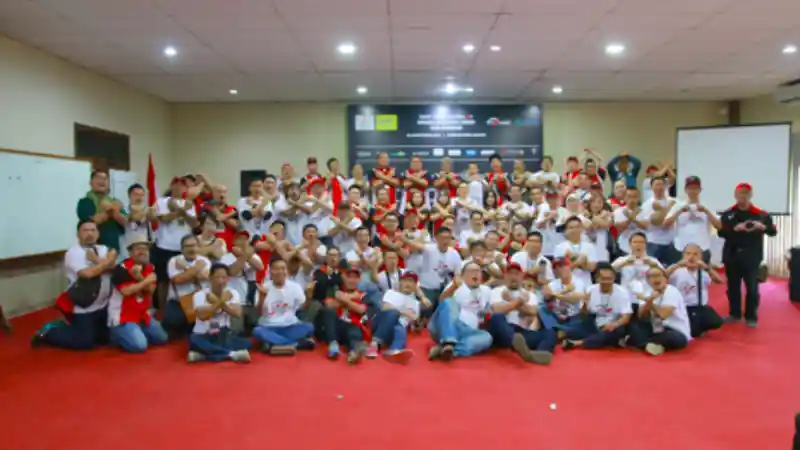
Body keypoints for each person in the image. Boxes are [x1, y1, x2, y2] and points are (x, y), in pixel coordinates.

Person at [32, 220, 116, 349]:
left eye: (93, 230)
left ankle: (76, 328)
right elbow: (87, 274)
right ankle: (50, 331)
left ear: (98, 233)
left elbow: (115, 269)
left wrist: (96, 261)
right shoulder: (74, 253)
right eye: (85, 230)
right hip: (83, 306)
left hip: (103, 306)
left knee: (105, 340)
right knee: (84, 343)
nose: (90, 234)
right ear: (78, 234)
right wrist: (105, 263)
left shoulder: (103, 249)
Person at [718, 183, 777, 327]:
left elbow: (773, 232)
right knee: (733, 287)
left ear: (750, 195)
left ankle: (751, 316)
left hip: (752, 256)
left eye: (746, 193)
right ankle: (734, 314)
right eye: (740, 193)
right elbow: (721, 233)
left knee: (752, 288)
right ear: (735, 195)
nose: (742, 196)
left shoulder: (761, 214)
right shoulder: (728, 214)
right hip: (732, 255)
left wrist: (762, 227)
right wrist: (735, 229)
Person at [107, 237, 168, 353]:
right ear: (130, 252)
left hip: (142, 315)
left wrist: (139, 277)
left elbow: (152, 290)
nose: (142, 251)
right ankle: (116, 334)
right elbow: (126, 291)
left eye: (145, 249)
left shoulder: (150, 267)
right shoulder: (121, 268)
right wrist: (146, 281)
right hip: (123, 317)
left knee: (162, 339)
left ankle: (135, 332)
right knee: (139, 346)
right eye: (138, 249)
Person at [487, 263, 556, 365]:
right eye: (510, 274)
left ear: (522, 277)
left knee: (550, 332)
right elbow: (498, 310)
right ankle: (518, 345)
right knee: (497, 317)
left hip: (521, 332)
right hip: (503, 330)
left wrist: (511, 301)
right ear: (505, 276)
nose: (513, 277)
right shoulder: (497, 291)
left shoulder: (529, 294)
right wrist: (520, 301)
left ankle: (536, 353)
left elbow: (532, 311)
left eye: (516, 274)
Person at [151, 177, 200, 311]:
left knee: (185, 280)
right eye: (176, 184)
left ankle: (185, 311)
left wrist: (184, 211)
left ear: (186, 188)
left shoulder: (189, 204)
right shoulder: (162, 201)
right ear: (171, 186)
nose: (179, 187)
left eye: (182, 185)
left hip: (183, 248)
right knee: (163, 281)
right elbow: (163, 218)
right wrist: (180, 211)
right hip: (164, 246)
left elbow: (194, 224)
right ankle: (162, 311)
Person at [187, 263, 252, 363]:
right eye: (217, 277)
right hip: (204, 333)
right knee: (194, 340)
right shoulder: (199, 295)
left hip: (223, 332)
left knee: (247, 343)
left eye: (224, 277)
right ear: (210, 277)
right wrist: (221, 301)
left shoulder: (232, 293)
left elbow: (237, 313)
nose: (221, 281)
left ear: (228, 279)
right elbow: (202, 316)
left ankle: (203, 355)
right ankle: (231, 354)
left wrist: (220, 302)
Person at [428, 262, 493, 361]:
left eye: (478, 271)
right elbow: (442, 303)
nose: (475, 274)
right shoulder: (456, 286)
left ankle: (449, 350)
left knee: (487, 337)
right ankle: (448, 341)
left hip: (468, 332)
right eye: (472, 271)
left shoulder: (486, 290)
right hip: (445, 326)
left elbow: (491, 310)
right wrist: (454, 286)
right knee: (449, 301)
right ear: (463, 276)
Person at [562, 262, 632, 350]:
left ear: (614, 278)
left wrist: (614, 324)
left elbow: (626, 317)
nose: (606, 282)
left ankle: (577, 343)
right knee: (572, 330)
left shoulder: (622, 292)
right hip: (594, 324)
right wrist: (585, 305)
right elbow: (583, 316)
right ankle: (593, 339)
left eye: (609, 279)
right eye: (603, 279)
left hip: (613, 325)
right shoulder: (590, 290)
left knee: (613, 333)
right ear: (597, 278)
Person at [252, 259, 314, 355]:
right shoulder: (264, 288)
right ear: (270, 272)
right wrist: (262, 298)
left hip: (290, 326)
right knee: (257, 331)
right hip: (269, 327)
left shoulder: (295, 287)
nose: (280, 272)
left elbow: (303, 308)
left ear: (287, 271)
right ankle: (293, 344)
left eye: (283, 268)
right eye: (276, 269)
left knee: (309, 327)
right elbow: (258, 313)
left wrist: (309, 297)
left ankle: (274, 344)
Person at [626, 267, 691, 355]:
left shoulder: (671, 291)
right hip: (656, 329)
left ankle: (642, 344)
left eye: (658, 275)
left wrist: (649, 300)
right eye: (652, 276)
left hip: (675, 330)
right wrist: (650, 299)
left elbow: (663, 315)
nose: (656, 279)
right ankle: (651, 345)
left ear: (665, 278)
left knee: (671, 337)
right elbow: (642, 315)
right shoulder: (647, 292)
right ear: (648, 280)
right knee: (634, 327)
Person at [366, 272, 429, 363]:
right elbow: (385, 308)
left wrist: (417, 322)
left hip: (394, 330)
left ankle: (394, 350)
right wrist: (403, 312)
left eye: (411, 281)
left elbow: (413, 319)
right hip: (380, 324)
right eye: (405, 280)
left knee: (400, 328)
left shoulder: (415, 303)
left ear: (415, 286)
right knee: (392, 313)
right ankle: (374, 344)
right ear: (400, 282)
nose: (408, 284)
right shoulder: (391, 293)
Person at [667, 244, 724, 337]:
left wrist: (706, 268)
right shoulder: (676, 271)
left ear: (700, 257)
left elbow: (720, 281)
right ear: (683, 256)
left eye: (695, 254)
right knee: (693, 332)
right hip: (682, 307)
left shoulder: (704, 272)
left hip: (699, 307)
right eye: (688, 254)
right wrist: (677, 265)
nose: (691, 257)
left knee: (716, 321)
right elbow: (662, 275)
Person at [663, 176, 721, 264]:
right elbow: (665, 224)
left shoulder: (706, 206)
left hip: (702, 248)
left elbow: (719, 226)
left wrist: (706, 211)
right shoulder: (678, 206)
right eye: (690, 188)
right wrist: (679, 211)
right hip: (681, 248)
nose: (692, 191)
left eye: (695, 188)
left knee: (702, 272)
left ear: (700, 190)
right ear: (685, 190)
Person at [317, 267, 369, 363]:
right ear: (345, 278)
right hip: (336, 327)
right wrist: (351, 299)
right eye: (349, 277)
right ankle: (333, 346)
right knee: (329, 312)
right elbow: (329, 304)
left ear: (359, 280)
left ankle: (354, 353)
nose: (352, 280)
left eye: (355, 278)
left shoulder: (363, 295)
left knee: (354, 330)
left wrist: (344, 299)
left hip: (352, 326)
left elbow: (361, 309)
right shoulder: (335, 291)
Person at [163, 235, 211, 336]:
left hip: (198, 301)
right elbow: (178, 280)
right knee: (171, 322)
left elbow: (204, 276)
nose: (191, 248)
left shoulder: (204, 260)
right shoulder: (174, 260)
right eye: (187, 246)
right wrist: (196, 269)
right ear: (182, 249)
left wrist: (185, 268)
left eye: (193, 245)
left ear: (198, 246)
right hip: (178, 301)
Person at [76, 170, 126, 253]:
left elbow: (126, 222)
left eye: (105, 179)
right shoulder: (85, 202)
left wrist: (111, 208)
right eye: (98, 178)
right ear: (91, 182)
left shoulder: (114, 201)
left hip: (114, 249)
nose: (102, 181)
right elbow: (94, 222)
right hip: (92, 249)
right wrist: (112, 209)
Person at [612, 232, 661, 309]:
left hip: (647, 298)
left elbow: (665, 275)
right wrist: (625, 263)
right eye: (635, 242)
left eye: (641, 242)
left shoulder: (653, 261)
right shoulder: (623, 259)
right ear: (630, 244)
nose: (638, 244)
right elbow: (609, 271)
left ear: (646, 244)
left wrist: (653, 265)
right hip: (627, 298)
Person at [553, 216, 597, 287]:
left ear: (582, 229)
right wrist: (578, 262)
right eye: (571, 228)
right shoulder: (559, 247)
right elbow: (559, 272)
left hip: (586, 285)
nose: (574, 230)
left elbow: (592, 268)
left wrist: (572, 258)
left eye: (577, 227)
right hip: (567, 286)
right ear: (566, 230)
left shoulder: (590, 246)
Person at [120, 183, 149, 258]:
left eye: (142, 195)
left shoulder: (148, 210)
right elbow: (125, 219)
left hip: (143, 247)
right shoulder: (123, 209)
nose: (139, 198)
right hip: (128, 248)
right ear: (129, 196)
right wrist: (140, 213)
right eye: (136, 194)